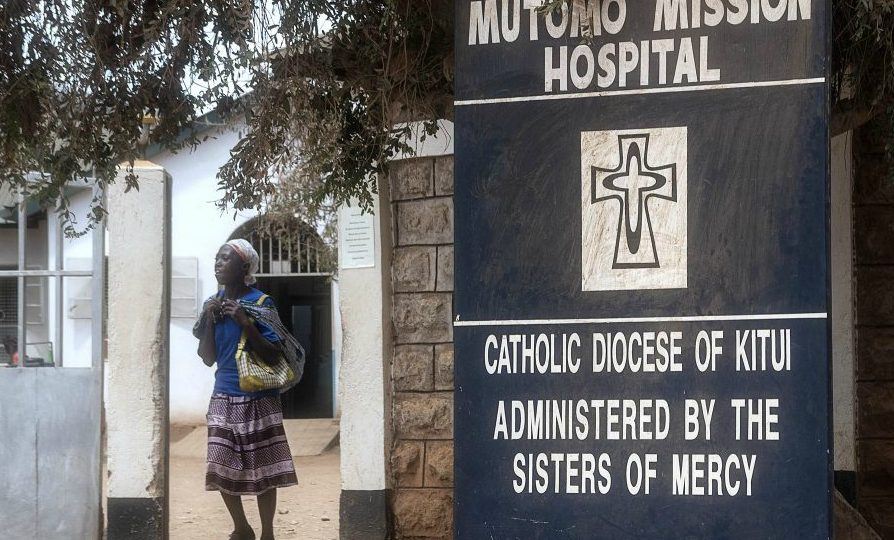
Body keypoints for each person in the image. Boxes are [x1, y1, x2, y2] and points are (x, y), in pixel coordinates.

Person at [195, 239, 298, 540]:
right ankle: (242, 527)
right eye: (216, 258)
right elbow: (206, 358)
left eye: (225, 258)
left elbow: (272, 354)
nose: (218, 263)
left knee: (264, 470)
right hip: (223, 395)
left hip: (258, 398)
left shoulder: (262, 304)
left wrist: (245, 322)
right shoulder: (211, 304)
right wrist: (211, 322)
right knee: (220, 465)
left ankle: (267, 533)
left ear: (244, 267)